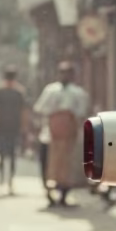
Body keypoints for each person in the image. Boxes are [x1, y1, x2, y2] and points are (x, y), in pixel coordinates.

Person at [33, 60, 90, 207]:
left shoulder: (78, 93)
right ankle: (49, 193)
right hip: (49, 134)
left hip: (70, 136)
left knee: (68, 166)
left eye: (68, 73)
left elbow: (82, 113)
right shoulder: (50, 91)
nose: (65, 75)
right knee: (48, 164)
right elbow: (39, 109)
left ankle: (64, 194)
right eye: (62, 72)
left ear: (73, 75)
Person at [0, 66, 29, 195]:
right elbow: (24, 112)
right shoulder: (19, 92)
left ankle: (5, 181)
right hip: (12, 128)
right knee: (10, 155)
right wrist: (24, 127)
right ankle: (8, 182)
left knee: (4, 155)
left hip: (3, 128)